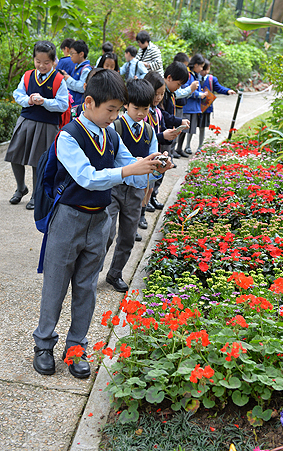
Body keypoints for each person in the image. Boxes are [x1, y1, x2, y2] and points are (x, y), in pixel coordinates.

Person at [32, 69, 172, 379]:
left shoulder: (111, 136)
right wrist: (129, 170)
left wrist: (153, 168)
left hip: (99, 221)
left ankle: (76, 349)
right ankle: (43, 345)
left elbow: (131, 172)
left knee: (86, 289)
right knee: (55, 286)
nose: (115, 116)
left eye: (118, 110)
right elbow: (87, 177)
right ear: (90, 103)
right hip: (67, 219)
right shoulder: (69, 135)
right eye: (111, 109)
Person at [101, 78, 171, 292]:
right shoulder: (115, 127)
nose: (141, 113)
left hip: (136, 191)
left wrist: (160, 164)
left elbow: (153, 161)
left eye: (145, 108)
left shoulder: (149, 131)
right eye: (136, 108)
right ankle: (90, 270)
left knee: (128, 235)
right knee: (106, 232)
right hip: (113, 187)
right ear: (125, 105)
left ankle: (115, 273)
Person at [5, 40, 69, 210]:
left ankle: (36, 195)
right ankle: (21, 188)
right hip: (26, 121)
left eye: (46, 62)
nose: (41, 65)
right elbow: (18, 94)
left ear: (54, 60)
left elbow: (63, 104)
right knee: (14, 156)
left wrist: (45, 102)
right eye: (38, 61)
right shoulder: (27, 76)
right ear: (33, 59)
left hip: (47, 125)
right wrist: (28, 100)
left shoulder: (59, 80)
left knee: (37, 162)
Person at [140, 70, 182, 228]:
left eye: (161, 94)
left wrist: (168, 135)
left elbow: (162, 129)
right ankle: (138, 216)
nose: (158, 98)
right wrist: (162, 135)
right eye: (156, 94)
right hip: (145, 156)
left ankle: (143, 212)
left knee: (150, 187)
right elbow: (146, 137)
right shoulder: (143, 114)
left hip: (156, 153)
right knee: (143, 188)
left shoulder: (157, 112)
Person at [198, 58, 235, 151]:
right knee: (190, 128)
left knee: (202, 127)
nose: (206, 72)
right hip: (195, 107)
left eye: (207, 69)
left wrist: (227, 91)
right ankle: (187, 146)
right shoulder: (194, 77)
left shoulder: (211, 79)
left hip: (206, 107)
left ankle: (200, 146)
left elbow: (219, 88)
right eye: (203, 69)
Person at [176, 53, 208, 157]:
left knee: (187, 130)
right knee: (182, 129)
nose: (202, 69)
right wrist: (199, 94)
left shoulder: (195, 75)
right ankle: (176, 149)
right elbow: (187, 89)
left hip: (194, 107)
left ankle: (180, 148)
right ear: (196, 65)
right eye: (201, 66)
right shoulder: (189, 75)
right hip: (188, 107)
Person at [61, 39, 92, 106]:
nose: (70, 56)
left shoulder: (86, 69)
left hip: (79, 105)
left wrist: (68, 79)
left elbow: (82, 87)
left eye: (72, 53)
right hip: (73, 103)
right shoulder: (77, 67)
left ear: (81, 54)